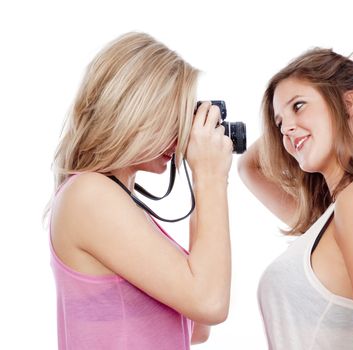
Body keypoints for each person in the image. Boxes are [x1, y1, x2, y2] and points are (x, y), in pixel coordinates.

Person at [47, 32, 233, 349]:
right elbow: (210, 302)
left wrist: (209, 180)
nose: (182, 135)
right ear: (137, 111)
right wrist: (210, 176)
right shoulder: (89, 195)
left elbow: (197, 328)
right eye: (174, 117)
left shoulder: (121, 205)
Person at [238, 48, 353, 349]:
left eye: (299, 105)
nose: (286, 128)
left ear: (348, 102)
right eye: (279, 124)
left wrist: (303, 123)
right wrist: (297, 122)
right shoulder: (328, 217)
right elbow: (248, 168)